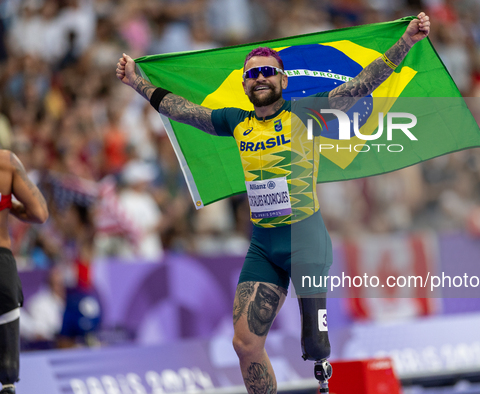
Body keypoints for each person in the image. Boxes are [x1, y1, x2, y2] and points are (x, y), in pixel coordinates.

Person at [117, 13, 430, 393]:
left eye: (267, 71)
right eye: (252, 73)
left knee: (316, 346)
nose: (260, 77)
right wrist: (137, 83)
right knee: (244, 344)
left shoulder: (306, 111)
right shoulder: (236, 121)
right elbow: (181, 110)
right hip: (264, 245)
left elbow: (363, 84)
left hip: (306, 240)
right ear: (244, 85)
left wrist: (407, 42)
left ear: (283, 80)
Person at [0, 151, 49, 394]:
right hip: (1, 264)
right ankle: (8, 384)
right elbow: (39, 213)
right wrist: (11, 207)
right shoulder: (6, 163)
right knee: (7, 378)